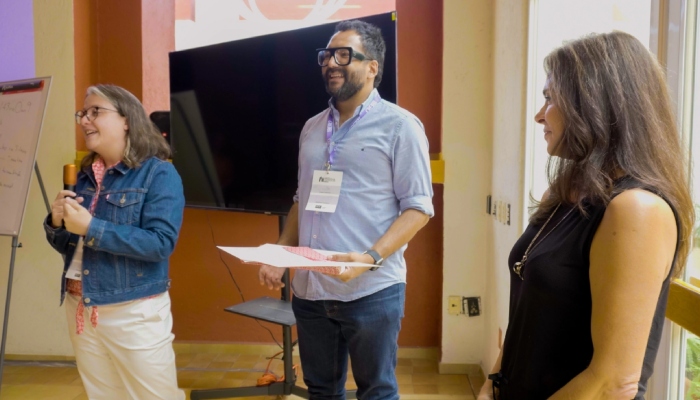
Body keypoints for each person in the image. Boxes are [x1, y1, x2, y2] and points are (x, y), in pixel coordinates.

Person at [477, 31, 695, 399]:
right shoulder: (563, 193)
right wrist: (492, 382)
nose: (539, 115)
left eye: (550, 99)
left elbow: (612, 382)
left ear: (596, 104)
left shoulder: (636, 210)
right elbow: (528, 313)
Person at [258, 19, 434, 399]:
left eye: (343, 55)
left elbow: (419, 208)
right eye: (326, 55)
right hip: (310, 289)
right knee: (321, 391)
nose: (330, 63)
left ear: (372, 67)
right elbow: (302, 200)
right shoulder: (311, 128)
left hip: (371, 290)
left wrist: (369, 259)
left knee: (376, 391)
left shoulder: (401, 127)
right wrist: (281, 251)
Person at [44, 84, 186, 400]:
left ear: (127, 120)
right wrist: (56, 223)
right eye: (83, 113)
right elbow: (69, 245)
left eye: (95, 111)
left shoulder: (159, 174)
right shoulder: (83, 176)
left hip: (133, 311)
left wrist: (91, 226)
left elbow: (160, 243)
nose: (84, 120)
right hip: (80, 304)